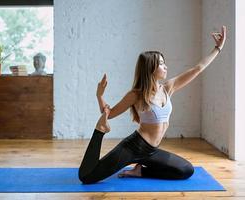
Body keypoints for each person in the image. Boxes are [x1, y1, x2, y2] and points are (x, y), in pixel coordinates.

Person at [78, 26, 227, 184]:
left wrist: (218, 48)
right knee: (87, 176)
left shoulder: (168, 88)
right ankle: (99, 132)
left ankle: (140, 171)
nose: (166, 67)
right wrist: (99, 96)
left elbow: (197, 69)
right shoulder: (136, 94)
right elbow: (109, 113)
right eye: (162, 64)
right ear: (151, 68)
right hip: (134, 147)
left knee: (185, 170)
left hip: (151, 151)